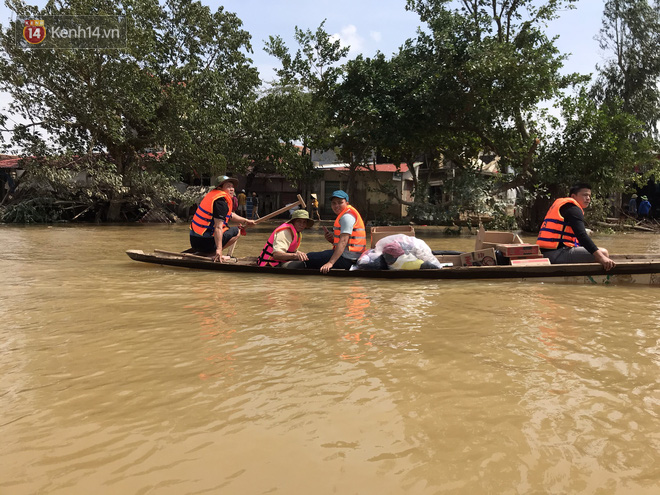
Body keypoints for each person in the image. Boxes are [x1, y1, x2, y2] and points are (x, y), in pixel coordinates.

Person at [536, 183, 615, 270]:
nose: (588, 198)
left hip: (547, 253)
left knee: (596, 251)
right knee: (604, 253)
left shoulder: (565, 206)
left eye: (589, 196)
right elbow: (582, 236)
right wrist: (601, 258)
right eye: (585, 195)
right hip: (556, 254)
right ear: (573, 196)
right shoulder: (573, 209)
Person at [189, 175, 256, 262]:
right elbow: (218, 227)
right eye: (228, 187)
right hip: (205, 243)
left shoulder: (213, 196)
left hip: (194, 242)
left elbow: (230, 215)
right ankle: (212, 254)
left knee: (232, 228)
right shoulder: (221, 202)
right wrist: (219, 250)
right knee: (237, 231)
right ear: (220, 188)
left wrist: (245, 220)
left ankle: (206, 252)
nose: (232, 189)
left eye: (232, 187)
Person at [305, 190, 367, 273]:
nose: (336, 205)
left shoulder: (347, 217)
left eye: (340, 202)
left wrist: (330, 263)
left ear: (347, 203)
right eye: (334, 203)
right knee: (314, 256)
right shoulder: (346, 215)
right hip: (351, 257)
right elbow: (346, 242)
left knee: (307, 258)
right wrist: (332, 240)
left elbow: (343, 241)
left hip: (347, 259)